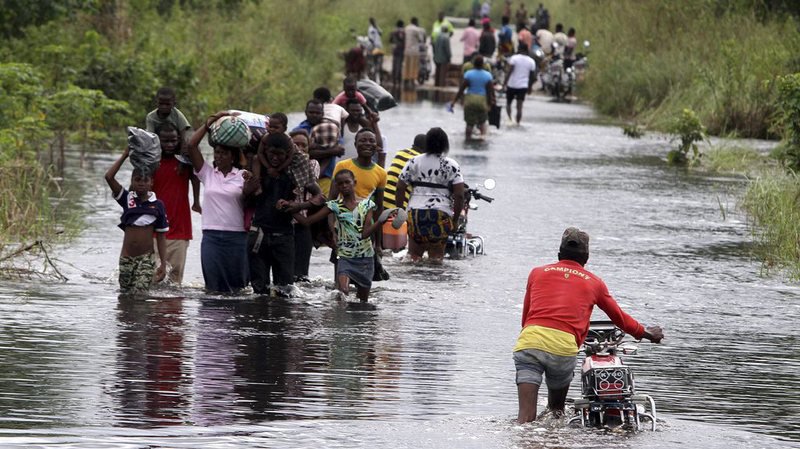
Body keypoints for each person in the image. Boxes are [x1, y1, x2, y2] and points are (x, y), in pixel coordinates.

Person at [513, 227, 665, 423]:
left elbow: (526, 318)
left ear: (559, 254)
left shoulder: (536, 273)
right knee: (557, 412)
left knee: (524, 419)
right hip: (563, 347)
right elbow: (619, 318)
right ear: (586, 258)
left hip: (529, 342)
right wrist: (647, 333)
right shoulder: (595, 282)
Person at [283, 169, 389, 303]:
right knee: (343, 291)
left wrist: (380, 222)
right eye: (340, 184)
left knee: (363, 301)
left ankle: (358, 323)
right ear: (336, 187)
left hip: (365, 258)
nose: (344, 186)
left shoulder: (367, 205)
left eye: (347, 182)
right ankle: (340, 320)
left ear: (354, 183)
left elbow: (365, 233)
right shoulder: (334, 206)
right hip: (345, 257)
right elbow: (307, 221)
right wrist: (290, 210)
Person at [186, 111, 250, 293]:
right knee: (213, 287)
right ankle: (211, 320)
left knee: (237, 288)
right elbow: (191, 146)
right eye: (216, 153)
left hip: (237, 237)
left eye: (223, 153)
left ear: (233, 156)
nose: (218, 156)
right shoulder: (207, 174)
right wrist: (209, 123)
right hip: (211, 237)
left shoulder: (242, 176)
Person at [395, 127, 465, 263]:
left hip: (415, 214)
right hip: (440, 214)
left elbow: (400, 187)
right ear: (445, 144)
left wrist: (400, 211)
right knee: (436, 258)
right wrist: (455, 220)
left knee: (413, 256)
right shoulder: (451, 165)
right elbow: (460, 195)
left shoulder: (414, 161)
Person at [105, 147, 168, 293]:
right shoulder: (127, 199)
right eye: (137, 180)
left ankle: (143, 315)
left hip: (145, 259)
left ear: (151, 182)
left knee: (140, 293)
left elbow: (161, 236)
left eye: (145, 180)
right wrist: (125, 155)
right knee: (125, 294)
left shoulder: (157, 205)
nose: (141, 183)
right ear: (132, 181)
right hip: (126, 258)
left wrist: (163, 264)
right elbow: (109, 177)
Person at [243, 133, 298, 296]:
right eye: (272, 153)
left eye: (280, 154)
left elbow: (315, 194)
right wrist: (249, 190)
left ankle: (280, 320)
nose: (275, 158)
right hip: (259, 234)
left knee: (286, 289)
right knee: (259, 288)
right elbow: (246, 201)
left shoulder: (292, 174)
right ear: (265, 152)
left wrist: (294, 204)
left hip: (284, 236)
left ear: (287, 154)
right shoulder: (258, 172)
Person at [151, 122, 201, 285]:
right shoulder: (151, 164)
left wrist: (196, 201)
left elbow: (196, 177)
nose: (170, 145)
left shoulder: (184, 163)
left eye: (173, 141)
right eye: (165, 141)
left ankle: (174, 311)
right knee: (153, 278)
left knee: (175, 279)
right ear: (157, 141)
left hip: (179, 228)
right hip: (153, 229)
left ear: (179, 140)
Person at [381, 134, 425, 251]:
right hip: (396, 203)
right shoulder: (419, 161)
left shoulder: (401, 153)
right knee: (395, 245)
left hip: (382, 199)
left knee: (382, 240)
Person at [289, 129, 320, 282]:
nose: (300, 149)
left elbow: (305, 183)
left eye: (304, 146)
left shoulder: (312, 164)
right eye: (296, 145)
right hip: (283, 226)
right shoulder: (281, 165)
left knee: (301, 275)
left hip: (302, 224)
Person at [295, 99, 344, 197]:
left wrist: (315, 149)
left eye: (317, 112)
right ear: (306, 112)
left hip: (326, 177)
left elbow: (340, 150)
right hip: (304, 179)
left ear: (322, 113)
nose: (314, 115)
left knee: (325, 205)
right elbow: (301, 153)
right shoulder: (299, 130)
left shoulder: (331, 128)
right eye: (311, 112)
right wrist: (331, 151)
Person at [450, 55, 495, 140]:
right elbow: (489, 91)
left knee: (469, 124)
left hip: (470, 101)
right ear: (483, 65)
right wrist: (490, 104)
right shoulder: (487, 76)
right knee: (482, 122)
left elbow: (461, 90)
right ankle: (482, 138)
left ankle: (467, 139)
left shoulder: (469, 74)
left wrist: (454, 102)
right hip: (482, 101)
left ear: (473, 64)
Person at [502, 42, 536, 125]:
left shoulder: (514, 58)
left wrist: (504, 83)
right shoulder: (531, 61)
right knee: (519, 106)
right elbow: (532, 77)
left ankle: (510, 119)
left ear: (519, 49)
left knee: (508, 103)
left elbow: (509, 71)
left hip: (512, 84)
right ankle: (518, 123)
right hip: (523, 86)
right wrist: (530, 87)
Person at [402, 17, 426, 87]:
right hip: (414, 51)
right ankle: (412, 80)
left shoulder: (406, 28)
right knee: (413, 66)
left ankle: (406, 79)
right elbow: (421, 40)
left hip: (406, 50)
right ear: (416, 22)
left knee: (407, 66)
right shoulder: (417, 30)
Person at [389, 20, 405, 87]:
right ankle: (399, 80)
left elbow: (390, 40)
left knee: (394, 65)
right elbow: (404, 40)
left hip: (394, 50)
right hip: (400, 50)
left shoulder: (393, 32)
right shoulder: (403, 32)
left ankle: (394, 81)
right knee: (399, 65)